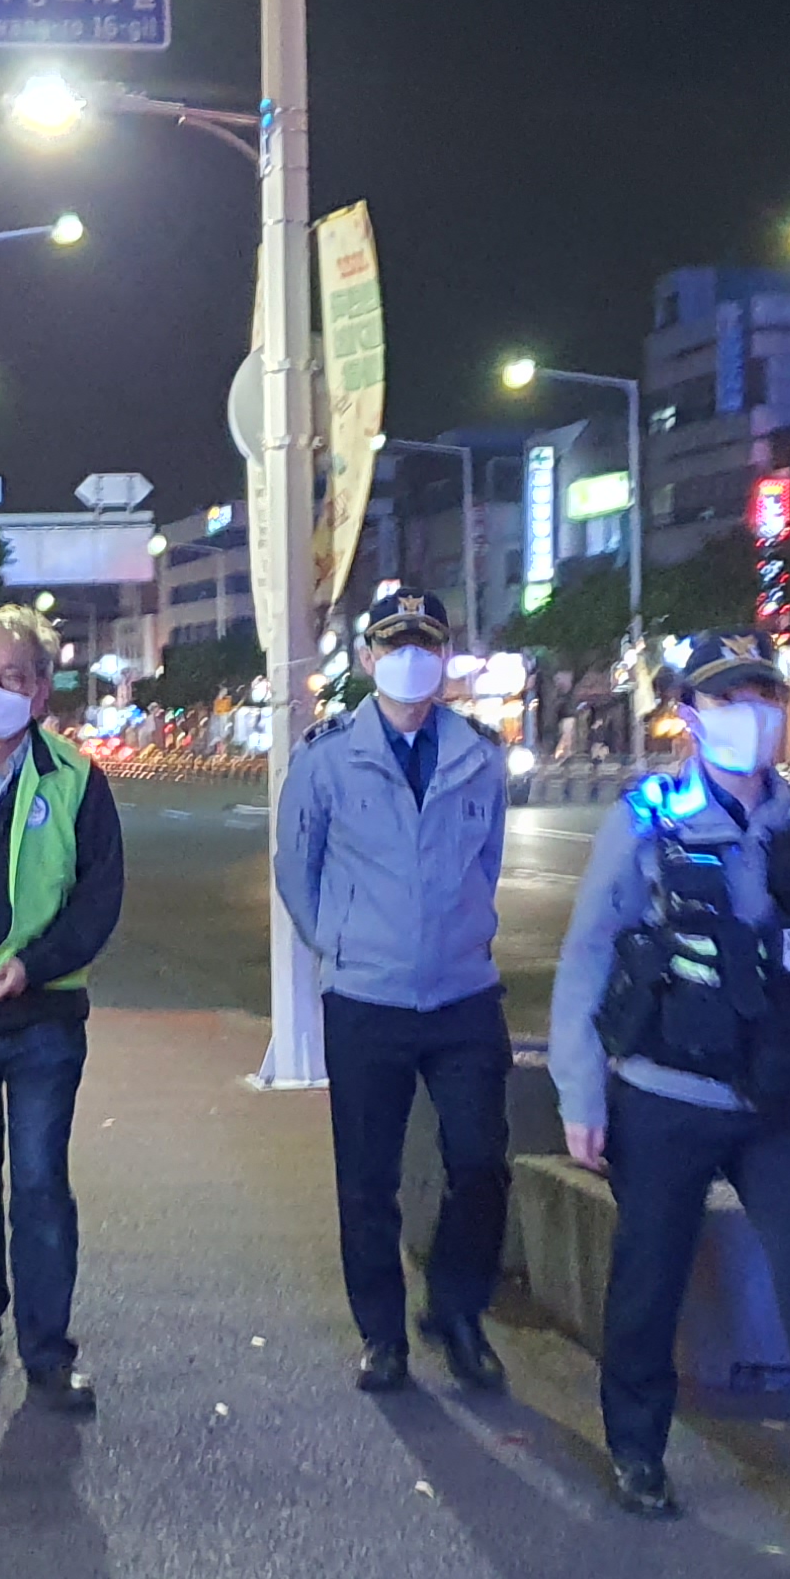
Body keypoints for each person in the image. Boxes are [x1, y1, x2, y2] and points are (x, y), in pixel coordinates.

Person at [549, 634, 790, 1575]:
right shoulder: (645, 821)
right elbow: (589, 953)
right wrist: (580, 1090)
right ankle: (637, 1450)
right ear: (689, 716)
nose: (751, 713)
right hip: (665, 1095)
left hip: (781, 1107)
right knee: (649, 1278)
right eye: (728, 699)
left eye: (763, 695)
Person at [275, 578, 512, 1394]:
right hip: (367, 996)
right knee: (366, 1176)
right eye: (394, 645)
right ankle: (382, 1333)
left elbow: (490, 862)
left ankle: (456, 1309)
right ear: (368, 656)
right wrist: (336, 944)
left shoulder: (482, 755)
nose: (410, 660)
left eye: (426, 645)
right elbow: (294, 867)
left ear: (446, 658)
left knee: (481, 1164)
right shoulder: (327, 756)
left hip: (463, 993)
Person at [0, 604, 126, 1412]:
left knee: (39, 1181)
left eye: (12, 677)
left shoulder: (77, 780)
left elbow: (97, 899)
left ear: (42, 691)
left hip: (43, 1016)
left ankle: (47, 1349)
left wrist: (31, 965)